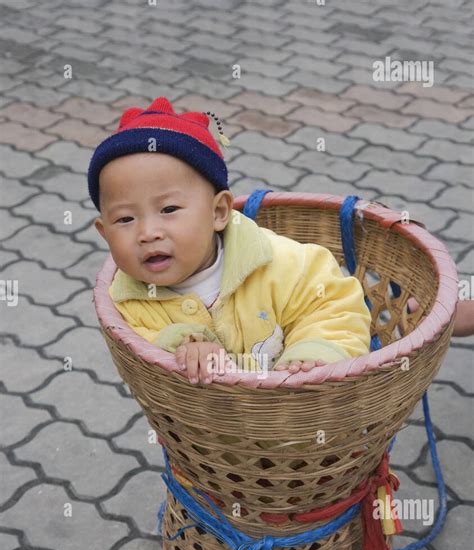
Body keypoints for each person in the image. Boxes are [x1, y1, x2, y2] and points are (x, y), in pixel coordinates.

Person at [88, 97, 372, 384]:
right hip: (198, 427)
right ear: (104, 232)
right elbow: (139, 349)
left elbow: (333, 306)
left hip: (300, 419)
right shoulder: (125, 303)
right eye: (125, 219)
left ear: (219, 212)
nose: (148, 233)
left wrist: (311, 352)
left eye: (169, 210)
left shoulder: (279, 262)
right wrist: (181, 346)